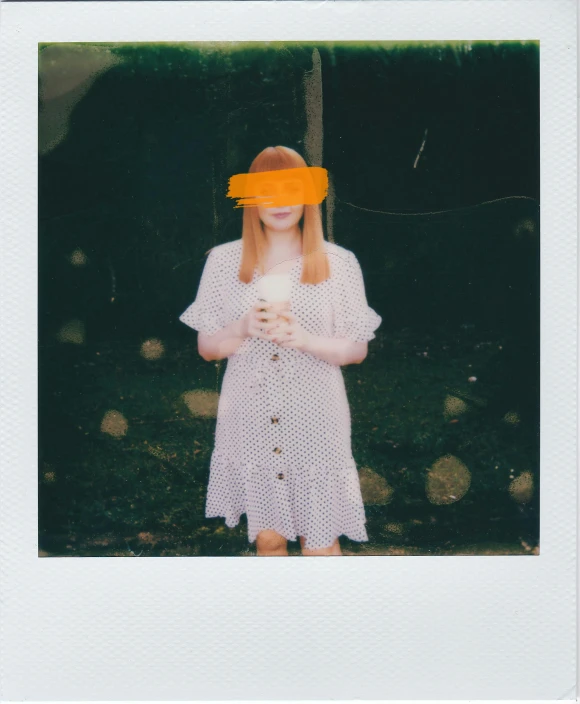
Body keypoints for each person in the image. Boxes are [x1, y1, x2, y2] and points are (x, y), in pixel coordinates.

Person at [179, 145, 382, 556]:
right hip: (249, 419)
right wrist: (241, 327)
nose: (280, 203)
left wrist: (304, 340)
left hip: (316, 420)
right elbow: (207, 348)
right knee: (268, 544)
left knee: (320, 543)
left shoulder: (337, 263)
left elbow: (356, 349)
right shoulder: (223, 261)